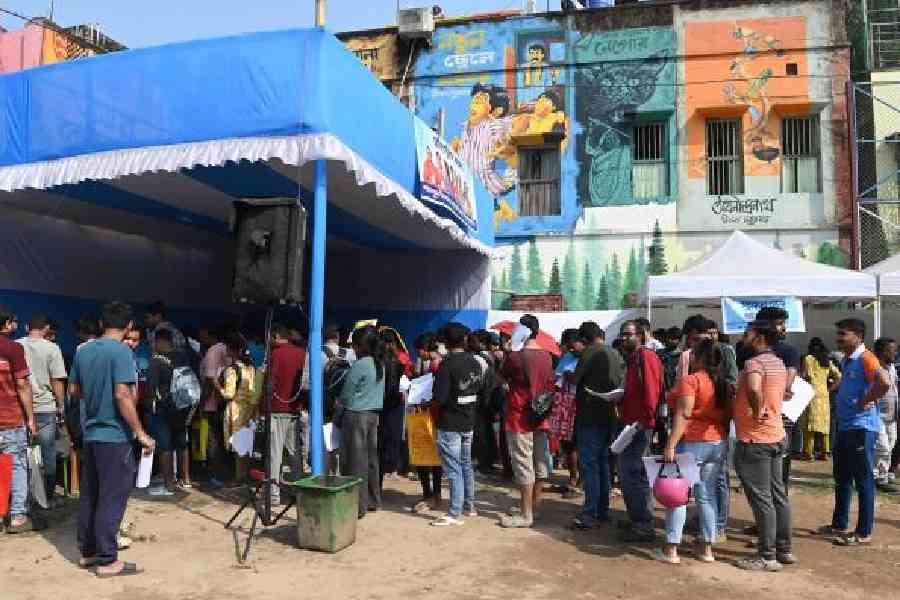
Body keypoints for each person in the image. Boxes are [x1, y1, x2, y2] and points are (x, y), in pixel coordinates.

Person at [69, 301, 155, 576]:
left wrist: (96, 399)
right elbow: (122, 394)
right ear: (129, 325)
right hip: (114, 435)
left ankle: (89, 552)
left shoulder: (84, 351)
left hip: (92, 433)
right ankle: (108, 560)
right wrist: (140, 432)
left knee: (90, 496)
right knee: (112, 497)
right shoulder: (120, 352)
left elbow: (74, 390)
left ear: (102, 322)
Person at [657, 339, 728, 564]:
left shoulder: (691, 381)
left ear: (698, 357)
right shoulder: (723, 383)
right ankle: (707, 548)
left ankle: (671, 549)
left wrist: (670, 444)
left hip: (692, 442)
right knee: (706, 495)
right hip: (717, 442)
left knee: (678, 496)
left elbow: (684, 414)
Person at [823, 319, 891, 547]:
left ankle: (863, 532)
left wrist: (867, 400)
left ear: (858, 337)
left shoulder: (866, 358)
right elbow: (849, 382)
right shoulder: (848, 360)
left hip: (861, 428)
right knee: (842, 477)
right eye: (838, 333)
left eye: (843, 334)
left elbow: (884, 382)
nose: (839, 338)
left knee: (863, 480)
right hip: (845, 426)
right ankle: (839, 524)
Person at [732, 319, 793, 571]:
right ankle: (784, 549)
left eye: (747, 332)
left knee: (762, 499)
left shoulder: (754, 363)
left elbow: (756, 390)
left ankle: (766, 556)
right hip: (776, 436)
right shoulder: (778, 362)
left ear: (758, 336)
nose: (744, 336)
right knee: (778, 495)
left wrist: (757, 411)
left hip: (756, 439)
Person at [500, 314, 555, 528]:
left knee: (523, 463)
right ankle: (534, 506)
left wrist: (508, 350)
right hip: (541, 416)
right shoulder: (547, 356)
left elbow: (503, 376)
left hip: (519, 415)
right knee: (539, 461)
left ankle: (525, 515)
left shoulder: (516, 357)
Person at [571, 322, 625, 530]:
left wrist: (568, 376)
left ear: (584, 339)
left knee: (590, 465)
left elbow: (576, 379)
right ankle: (602, 510)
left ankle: (590, 512)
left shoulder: (589, 353)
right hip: (609, 414)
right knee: (603, 464)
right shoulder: (615, 352)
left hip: (590, 414)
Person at [431, 322, 486, 526]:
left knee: (453, 468)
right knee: (465, 465)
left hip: (450, 423)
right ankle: (469, 506)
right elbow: (478, 389)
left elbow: (440, 397)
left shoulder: (447, 364)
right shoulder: (474, 362)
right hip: (467, 420)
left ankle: (454, 513)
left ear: (446, 342)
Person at [617, 320, 663, 542]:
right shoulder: (633, 358)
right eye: (623, 335)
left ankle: (644, 524)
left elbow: (652, 391)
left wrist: (645, 422)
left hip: (640, 425)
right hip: (631, 423)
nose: (624, 338)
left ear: (642, 335)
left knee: (634, 473)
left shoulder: (646, 357)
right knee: (629, 473)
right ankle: (638, 518)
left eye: (628, 335)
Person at [17, 314, 67, 508]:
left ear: (28, 326)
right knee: (48, 452)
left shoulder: (16, 345)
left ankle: (24, 497)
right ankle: (47, 496)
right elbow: (57, 380)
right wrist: (61, 406)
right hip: (45, 407)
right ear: (46, 328)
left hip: (21, 407)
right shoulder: (52, 348)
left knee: (21, 452)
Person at [339, 326, 385, 519]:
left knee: (355, 461)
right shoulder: (379, 364)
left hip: (356, 415)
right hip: (373, 416)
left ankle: (358, 506)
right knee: (371, 460)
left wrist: (339, 405)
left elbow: (347, 394)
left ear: (360, 346)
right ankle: (374, 500)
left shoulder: (359, 365)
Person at [0, 306, 35, 534]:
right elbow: (22, 384)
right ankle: (18, 516)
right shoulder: (13, 348)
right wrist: (31, 418)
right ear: (7, 324)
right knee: (17, 465)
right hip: (11, 417)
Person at [145, 329, 191, 496]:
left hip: (164, 408)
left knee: (165, 445)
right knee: (181, 442)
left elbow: (150, 387)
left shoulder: (156, 360)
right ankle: (185, 480)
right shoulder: (181, 357)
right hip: (182, 406)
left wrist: (149, 407)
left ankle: (169, 485)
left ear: (159, 341)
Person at [268, 324, 306, 505]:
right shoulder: (301, 353)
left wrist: (263, 407)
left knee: (275, 454)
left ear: (275, 336)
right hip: (294, 409)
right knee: (295, 454)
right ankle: (301, 492)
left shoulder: (276, 354)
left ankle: (273, 494)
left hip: (277, 409)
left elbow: (271, 383)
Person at [217, 334, 258, 485]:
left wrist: (218, 386)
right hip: (250, 410)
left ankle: (239, 477)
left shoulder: (232, 370)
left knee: (238, 445)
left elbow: (229, 394)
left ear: (232, 350)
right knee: (246, 445)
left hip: (236, 409)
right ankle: (245, 475)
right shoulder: (251, 367)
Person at [411, 332, 444, 513]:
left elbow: (435, 393)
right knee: (433, 458)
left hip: (431, 414)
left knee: (426, 456)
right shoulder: (437, 362)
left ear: (424, 349)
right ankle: (434, 495)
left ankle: (431, 495)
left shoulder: (436, 365)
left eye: (418, 351)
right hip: (433, 414)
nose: (418, 355)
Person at [378, 327, 410, 488]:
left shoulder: (379, 361)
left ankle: (381, 477)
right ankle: (391, 467)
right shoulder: (399, 360)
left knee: (382, 443)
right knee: (393, 439)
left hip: (382, 406)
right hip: (395, 405)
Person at [800, 338, 841, 461]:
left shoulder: (808, 359)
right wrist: (830, 389)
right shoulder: (826, 361)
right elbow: (839, 376)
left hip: (811, 393)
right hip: (824, 395)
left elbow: (807, 375)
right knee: (824, 425)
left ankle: (808, 452)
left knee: (810, 426)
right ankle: (825, 452)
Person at [555, 328, 582, 499]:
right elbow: (557, 379)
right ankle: (573, 478)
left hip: (582, 406)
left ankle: (579, 481)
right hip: (565, 406)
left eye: (572, 346)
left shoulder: (588, 358)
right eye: (567, 347)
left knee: (580, 445)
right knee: (568, 445)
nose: (570, 349)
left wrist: (570, 376)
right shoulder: (566, 357)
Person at [874, 337, 899, 492]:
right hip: (877, 415)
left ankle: (881, 475)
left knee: (889, 445)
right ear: (883, 351)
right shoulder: (875, 368)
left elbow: (894, 386)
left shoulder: (891, 368)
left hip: (892, 416)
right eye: (892, 350)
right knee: (882, 447)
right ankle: (878, 478)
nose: (895, 353)